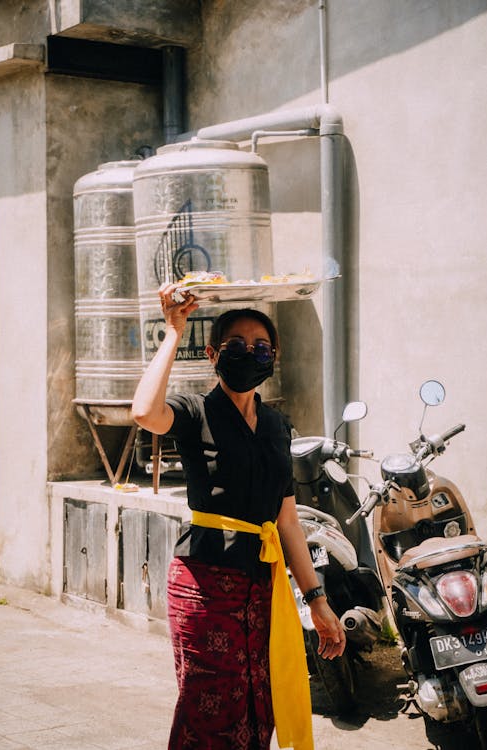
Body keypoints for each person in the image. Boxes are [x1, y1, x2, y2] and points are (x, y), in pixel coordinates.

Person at [131, 283, 346, 750]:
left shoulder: (277, 426)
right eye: (236, 346)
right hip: (205, 584)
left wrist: (318, 600)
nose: (250, 353)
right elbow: (144, 411)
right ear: (212, 354)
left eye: (261, 346)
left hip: (261, 586)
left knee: (257, 701)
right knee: (208, 705)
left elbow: (286, 521)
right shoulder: (195, 411)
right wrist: (173, 331)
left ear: (275, 355)